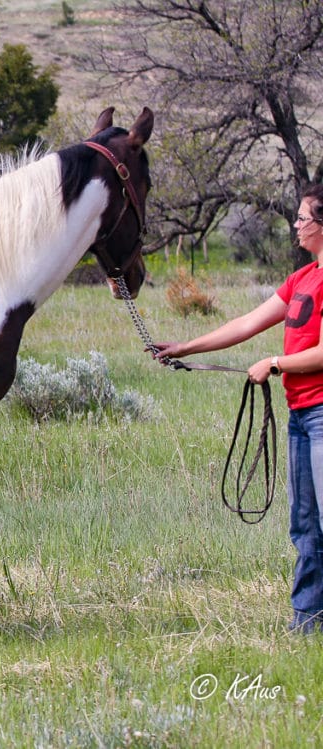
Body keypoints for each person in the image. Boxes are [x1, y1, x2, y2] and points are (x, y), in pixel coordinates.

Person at [154, 184, 323, 633]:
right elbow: (247, 323)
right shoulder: (302, 278)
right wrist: (184, 346)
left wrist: (274, 362)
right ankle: (307, 626)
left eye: (303, 218)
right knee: (305, 526)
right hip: (301, 417)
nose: (296, 225)